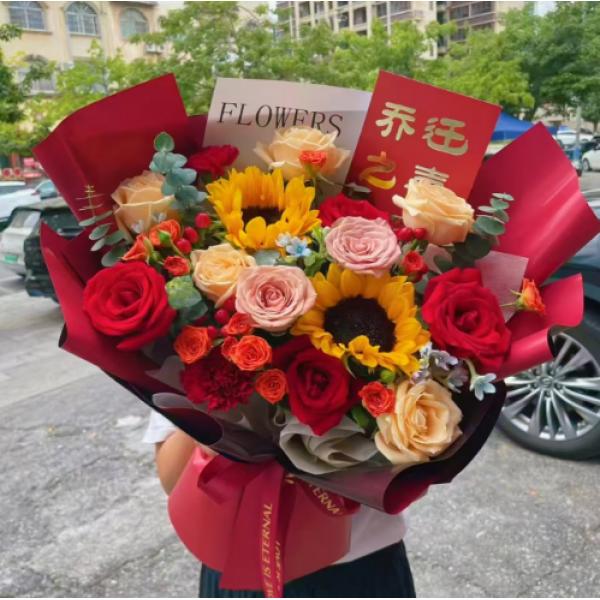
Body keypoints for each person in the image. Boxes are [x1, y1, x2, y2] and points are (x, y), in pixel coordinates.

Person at [144, 411, 417, 598]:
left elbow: (417, 464)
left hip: (363, 567)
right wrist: (203, 418)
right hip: (241, 571)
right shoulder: (187, 346)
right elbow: (172, 479)